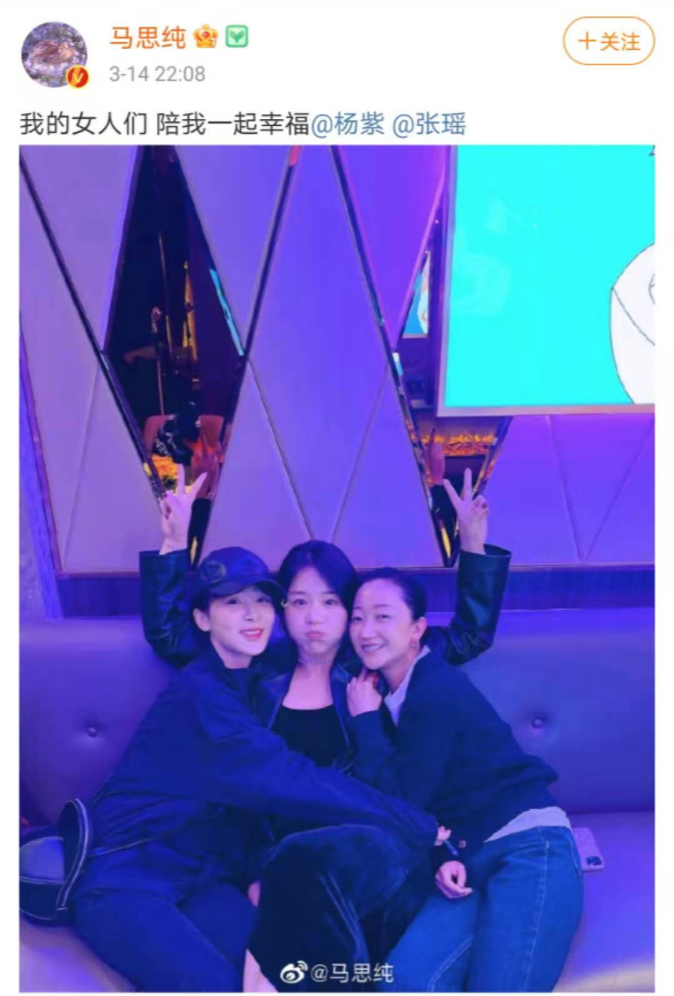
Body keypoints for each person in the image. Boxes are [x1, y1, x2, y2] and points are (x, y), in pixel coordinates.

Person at [71, 546, 445, 993]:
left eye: (262, 600)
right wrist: (413, 822)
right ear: (203, 619)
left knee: (293, 977)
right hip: (127, 880)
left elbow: (432, 642)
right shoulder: (203, 698)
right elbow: (289, 778)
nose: (252, 614)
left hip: (203, 878)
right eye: (233, 602)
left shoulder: (253, 677)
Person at [344, 565, 583, 993]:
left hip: (529, 848)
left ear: (417, 629)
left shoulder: (434, 690)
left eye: (383, 616)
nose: (366, 630)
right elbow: (435, 799)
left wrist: (364, 722)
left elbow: (403, 799)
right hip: (468, 860)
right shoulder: (391, 692)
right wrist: (444, 855)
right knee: (402, 985)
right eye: (358, 617)